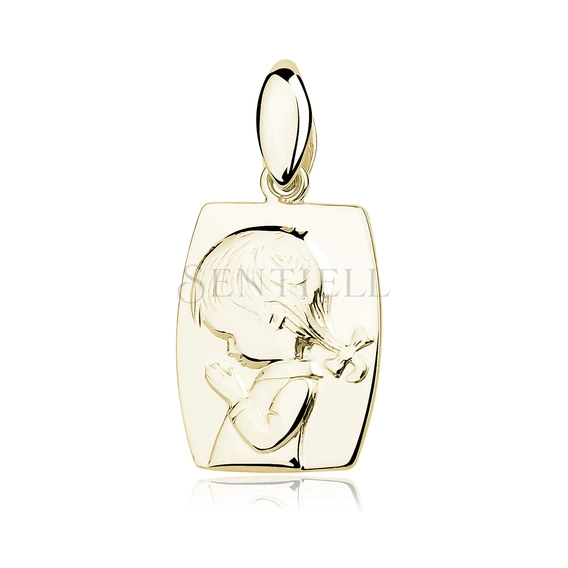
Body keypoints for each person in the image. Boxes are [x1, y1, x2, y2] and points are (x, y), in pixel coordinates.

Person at [190, 226, 373, 468]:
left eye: (231, 336)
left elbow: (266, 439)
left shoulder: (298, 383)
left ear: (273, 317)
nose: (230, 350)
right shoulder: (277, 376)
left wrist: (235, 396)